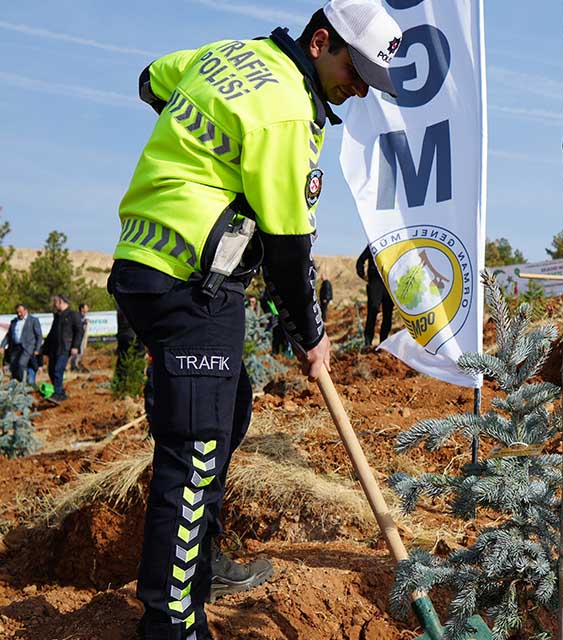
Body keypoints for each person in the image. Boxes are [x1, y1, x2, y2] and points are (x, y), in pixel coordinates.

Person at [106, 1, 401, 637]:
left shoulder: (228, 56)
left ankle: (201, 562)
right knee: (197, 449)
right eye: (355, 71)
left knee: (227, 405)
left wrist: (202, 156)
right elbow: (290, 249)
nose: (357, 91)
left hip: (145, 265)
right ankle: (172, 623)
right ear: (321, 42)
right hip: (192, 283)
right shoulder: (289, 112)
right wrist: (312, 336)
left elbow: (152, 79)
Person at [43, 295, 84, 403]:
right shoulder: (57, 316)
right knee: (51, 370)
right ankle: (61, 394)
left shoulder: (73, 315)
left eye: (55, 301)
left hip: (65, 348)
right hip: (54, 349)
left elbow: (79, 331)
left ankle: (57, 394)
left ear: (60, 301)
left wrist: (75, 346)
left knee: (58, 370)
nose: (53, 304)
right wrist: (44, 349)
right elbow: (52, 333)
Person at [356, 245, 394, 347]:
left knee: (388, 314)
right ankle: (368, 343)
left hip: (389, 283)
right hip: (375, 282)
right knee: (372, 312)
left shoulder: (394, 243)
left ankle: (384, 343)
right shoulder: (374, 243)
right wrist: (364, 276)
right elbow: (360, 261)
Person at [4, 304, 42, 384]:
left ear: (26, 310)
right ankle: (16, 383)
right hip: (16, 347)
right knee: (13, 366)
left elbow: (39, 336)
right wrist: (2, 345)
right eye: (17, 312)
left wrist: (37, 349)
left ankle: (24, 383)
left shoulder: (33, 320)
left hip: (28, 347)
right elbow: (9, 335)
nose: (19, 314)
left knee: (21, 364)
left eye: (21, 312)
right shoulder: (14, 321)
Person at [71, 303, 91, 372]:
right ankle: (73, 366)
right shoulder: (78, 316)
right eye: (86, 307)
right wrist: (83, 323)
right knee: (77, 352)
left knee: (80, 352)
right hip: (77, 337)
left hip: (81, 337)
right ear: (82, 309)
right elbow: (77, 325)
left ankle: (75, 365)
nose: (88, 309)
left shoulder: (83, 316)